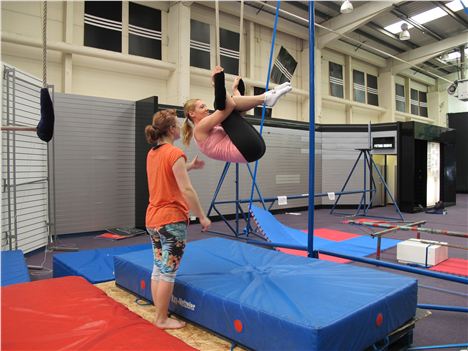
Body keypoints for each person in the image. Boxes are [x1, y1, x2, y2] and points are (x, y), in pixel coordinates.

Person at [144, 109, 211, 329]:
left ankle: (159, 313)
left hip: (153, 221)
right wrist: (202, 216)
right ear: (172, 129)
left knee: (158, 268)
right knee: (168, 272)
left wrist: (189, 166)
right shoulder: (174, 153)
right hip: (171, 221)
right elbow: (186, 190)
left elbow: (167, 174)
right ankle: (161, 319)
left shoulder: (153, 153)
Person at [182, 66, 292, 163]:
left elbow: (238, 113)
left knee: (226, 109)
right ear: (192, 113)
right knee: (220, 106)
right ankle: (265, 97)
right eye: (202, 107)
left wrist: (235, 90)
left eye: (205, 106)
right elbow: (229, 106)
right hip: (246, 148)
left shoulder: (212, 124)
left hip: (254, 148)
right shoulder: (199, 128)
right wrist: (216, 83)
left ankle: (267, 97)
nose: (206, 109)